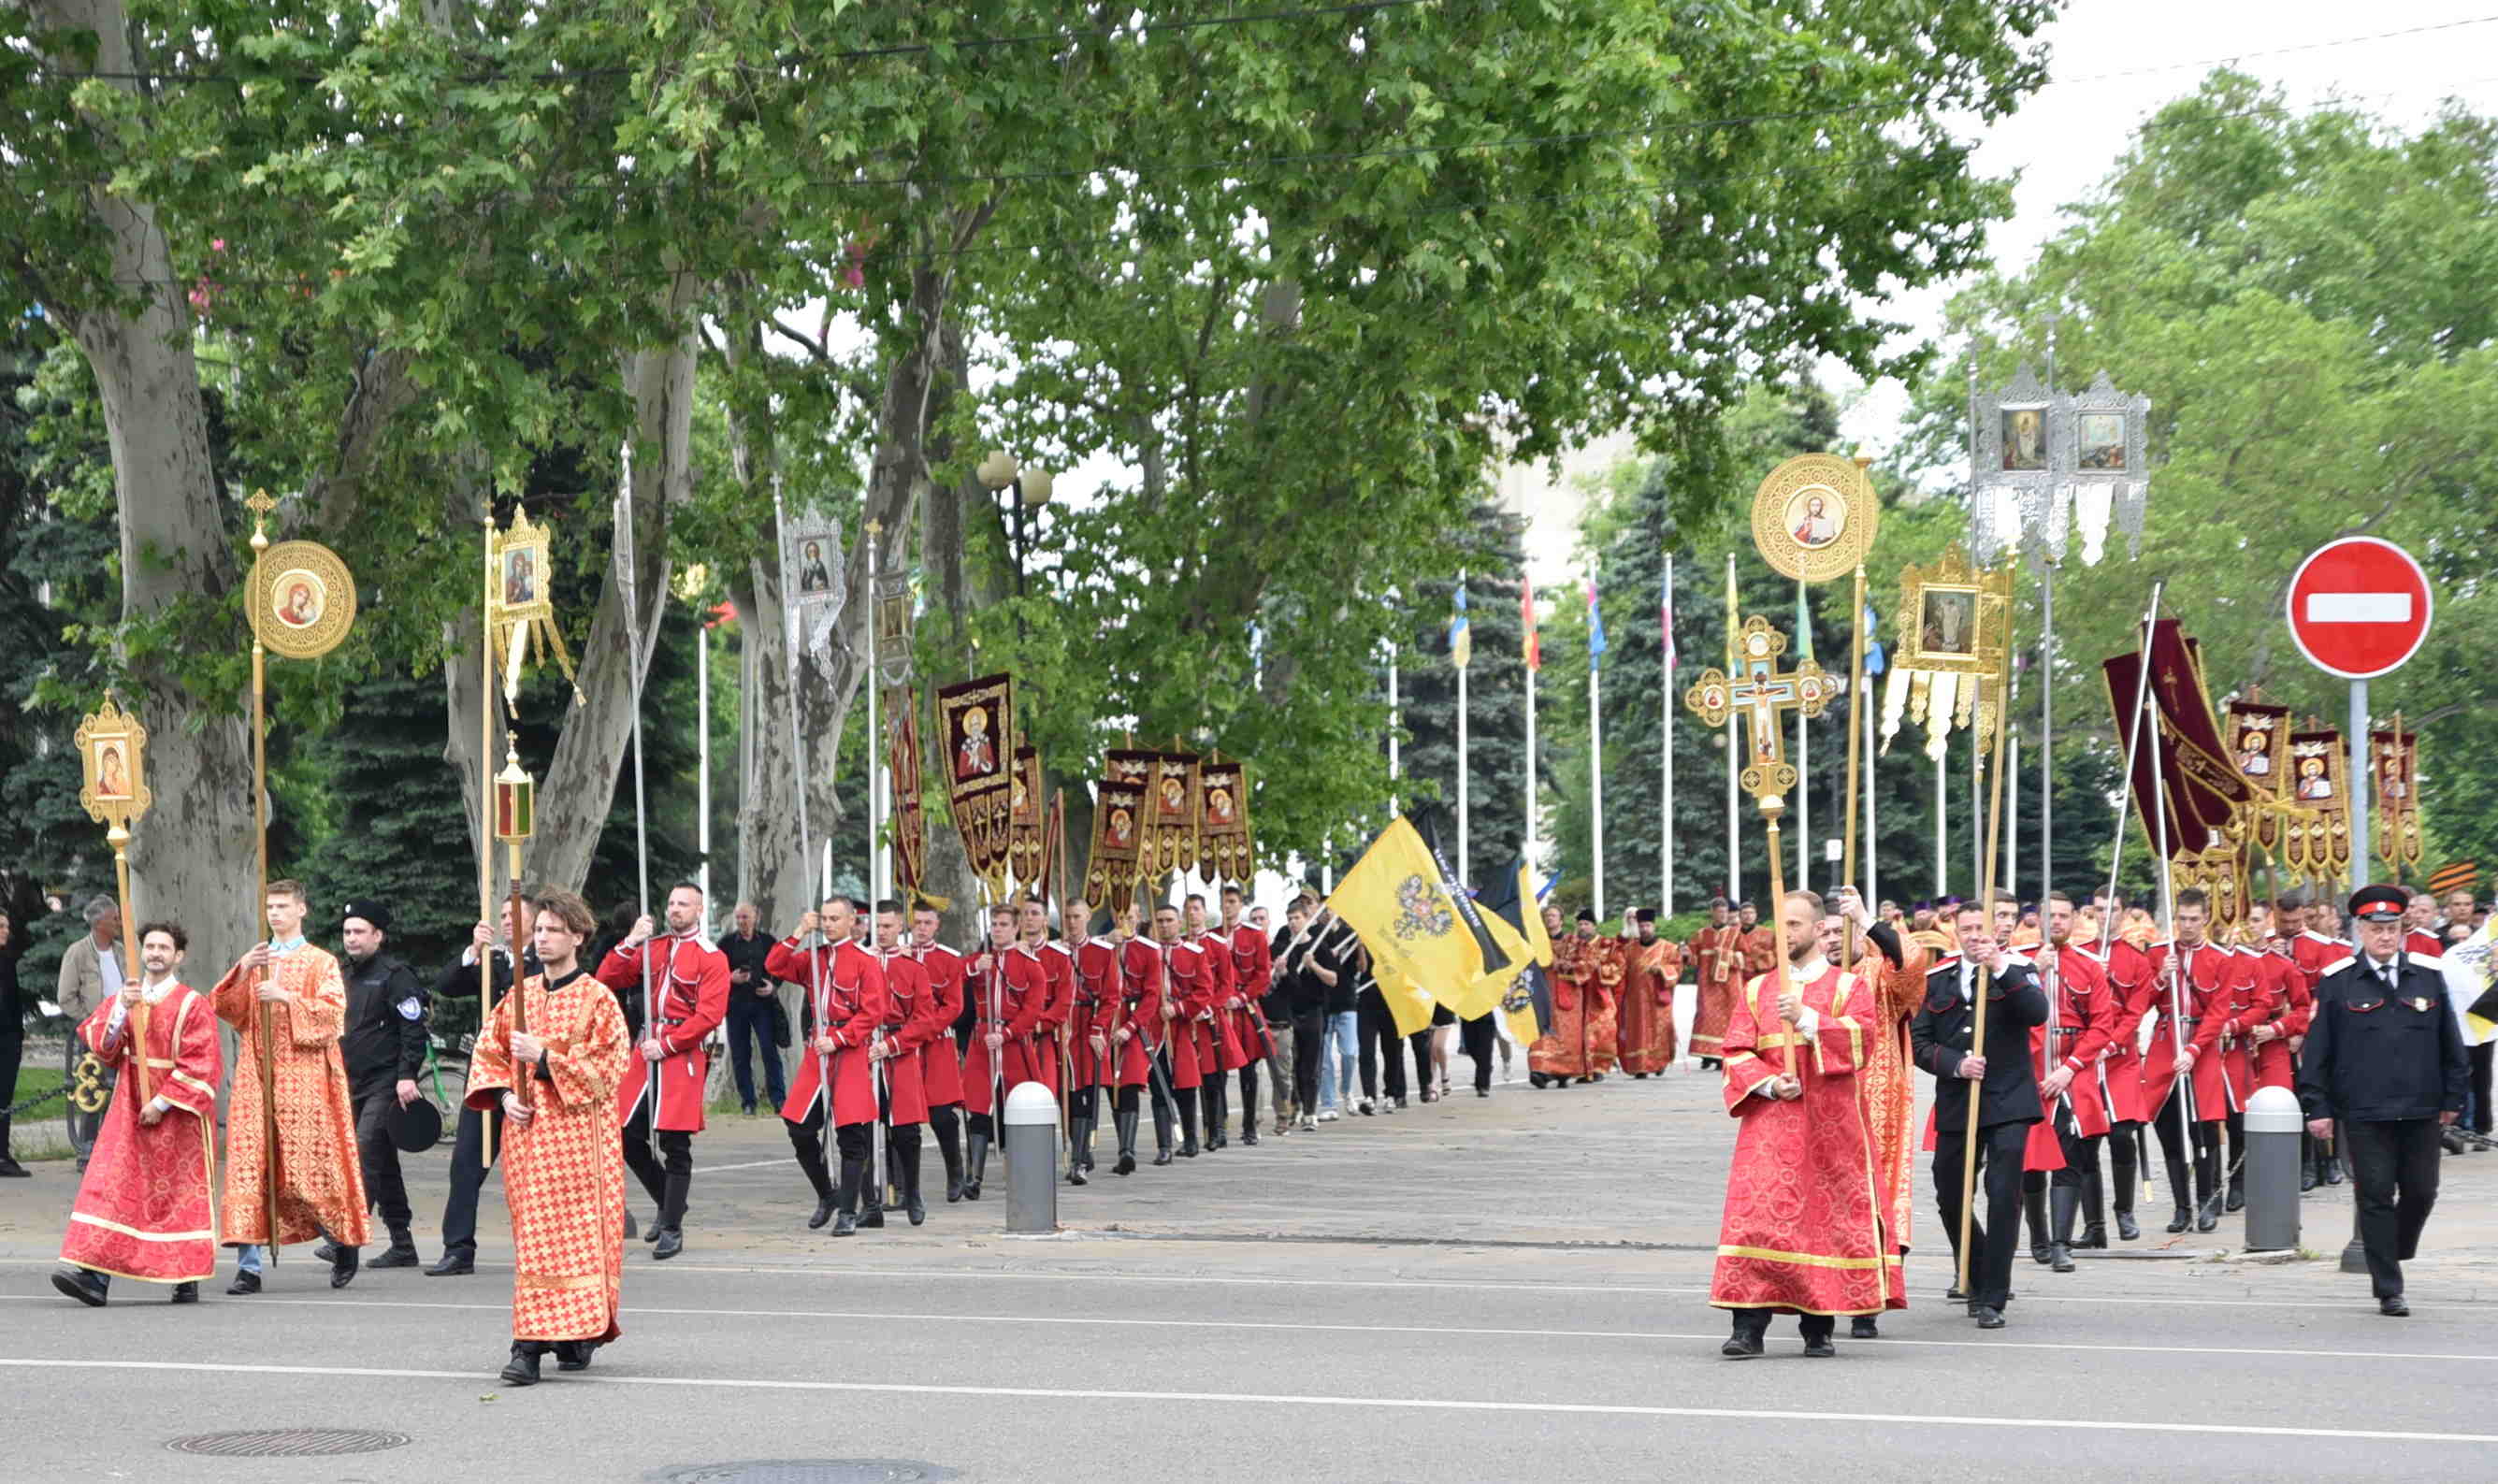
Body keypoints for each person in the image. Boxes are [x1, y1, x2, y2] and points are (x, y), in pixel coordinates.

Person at [466, 888, 630, 1385]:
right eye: (537, 929)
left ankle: (538, 1345)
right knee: (534, 1242)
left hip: (581, 1146)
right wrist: (501, 1099)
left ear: (577, 936)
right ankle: (542, 1335)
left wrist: (543, 1058)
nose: (541, 938)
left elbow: (610, 1068)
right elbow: (488, 1054)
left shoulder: (597, 998)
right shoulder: (518, 995)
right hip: (529, 1141)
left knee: (575, 1242)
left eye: (552, 930)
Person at [1711, 890, 1885, 1358]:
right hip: (1770, 1126)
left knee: (1821, 1219)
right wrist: (1769, 1083)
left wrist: (1808, 1017)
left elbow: (1863, 1043)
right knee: (1756, 1221)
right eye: (1780, 924)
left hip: (1829, 1126)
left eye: (1794, 925)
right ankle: (1748, 1325)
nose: (1784, 933)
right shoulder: (1756, 989)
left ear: (1816, 928)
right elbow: (1734, 1051)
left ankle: (1818, 1325)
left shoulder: (1849, 987)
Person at [2300, 886, 2468, 1317]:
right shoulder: (2339, 982)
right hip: (2365, 1109)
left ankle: (2391, 1249)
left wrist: (2454, 1096)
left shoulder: (2427, 976)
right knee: (2374, 1195)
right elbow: (2319, 1051)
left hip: (2420, 1107)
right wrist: (2317, 1107)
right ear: (2360, 930)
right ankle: (2389, 1286)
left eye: (2392, 928)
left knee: (2421, 1192)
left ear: (2402, 931)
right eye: (2376, 929)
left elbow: (2450, 1042)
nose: (2385, 937)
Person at [51, 921, 222, 1307]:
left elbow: (202, 1064)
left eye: (164, 947)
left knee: (174, 1196)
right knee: (112, 1187)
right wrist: (120, 1013)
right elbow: (105, 1048)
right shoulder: (126, 997)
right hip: (128, 1105)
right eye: (150, 946)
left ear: (179, 956)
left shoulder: (192, 1004)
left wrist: (160, 1103)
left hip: (177, 1114)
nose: (155, 953)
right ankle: (95, 1278)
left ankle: (185, 1275)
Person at [213, 880, 368, 1293]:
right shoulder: (257, 958)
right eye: (270, 906)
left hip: (304, 1075)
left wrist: (285, 998)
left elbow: (334, 1018)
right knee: (251, 1166)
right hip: (256, 1071)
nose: (275, 913)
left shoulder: (320, 962)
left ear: (302, 910)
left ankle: (340, 1239)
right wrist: (244, 969)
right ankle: (249, 1265)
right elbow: (227, 1009)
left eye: (283, 906)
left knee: (307, 1167)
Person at [1911, 900, 2047, 1329]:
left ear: (1996, 931)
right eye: (1966, 928)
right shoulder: (1939, 981)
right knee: (1950, 1193)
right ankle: (1979, 1264)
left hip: (2008, 1101)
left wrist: (2001, 967)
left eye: (1980, 929)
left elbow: (2036, 1013)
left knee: (2003, 1194)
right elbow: (1919, 1044)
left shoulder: (2019, 970)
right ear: (1955, 931)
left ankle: (1992, 1296)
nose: (1973, 936)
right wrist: (1955, 1063)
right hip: (1958, 1101)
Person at [596, 882, 729, 1260]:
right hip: (646, 1047)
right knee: (624, 1132)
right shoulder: (654, 948)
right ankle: (668, 1202)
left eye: (684, 904)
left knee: (675, 1143)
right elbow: (608, 978)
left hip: (680, 1053)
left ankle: (671, 1227)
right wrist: (631, 941)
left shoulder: (711, 956)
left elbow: (709, 1015)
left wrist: (669, 1044)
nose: (675, 909)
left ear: (699, 910)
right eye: (672, 903)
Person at [1830, 887, 1928, 1337]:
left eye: (1840, 929)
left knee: (1877, 1202)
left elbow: (1910, 963)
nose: (1832, 939)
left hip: (1878, 1107)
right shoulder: (1807, 980)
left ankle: (1868, 1302)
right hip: (1826, 1109)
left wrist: (1867, 920)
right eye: (1825, 931)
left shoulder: (1875, 971)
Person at [767, 895, 889, 1234]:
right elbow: (774, 966)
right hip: (816, 1054)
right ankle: (827, 1194)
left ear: (852, 921)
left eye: (836, 918)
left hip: (846, 1051)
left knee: (851, 1135)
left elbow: (873, 1012)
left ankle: (849, 1212)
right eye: (824, 918)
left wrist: (839, 1039)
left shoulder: (866, 961)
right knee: (799, 1127)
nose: (829, 924)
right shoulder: (814, 959)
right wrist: (798, 932)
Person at [2026, 892, 2116, 1274]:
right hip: (2030, 1066)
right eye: (2052, 916)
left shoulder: (2089, 966)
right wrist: (2033, 970)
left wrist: (2072, 1067)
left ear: (2075, 920)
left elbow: (2102, 1025)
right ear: (2040, 919)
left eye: (2064, 916)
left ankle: (2063, 1242)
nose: (2058, 922)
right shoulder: (2021, 962)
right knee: (2029, 1161)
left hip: (2072, 1067)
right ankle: (2038, 1237)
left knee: (2071, 1156)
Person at [423, 923, 519, 1275]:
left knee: (533, 1171)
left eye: (516, 912)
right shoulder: (489, 961)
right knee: (465, 1163)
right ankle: (458, 1248)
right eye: (504, 914)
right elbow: (447, 984)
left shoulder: (544, 961)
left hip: (529, 1077)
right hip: (489, 1076)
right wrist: (473, 952)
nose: (508, 919)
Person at [336, 900, 428, 1269]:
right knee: (383, 1162)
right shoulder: (341, 973)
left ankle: (347, 1239)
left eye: (359, 932)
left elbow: (413, 1027)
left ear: (378, 935)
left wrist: (407, 1074)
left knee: (362, 1151)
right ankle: (403, 1244)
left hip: (385, 1081)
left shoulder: (396, 975)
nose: (352, 938)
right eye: (347, 932)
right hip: (348, 1080)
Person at [2142, 888, 2234, 1233]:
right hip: (2167, 1040)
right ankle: (2182, 1207)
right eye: (2182, 919)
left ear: (2206, 918)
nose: (2188, 926)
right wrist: (2161, 977)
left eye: (2195, 919)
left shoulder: (2220, 959)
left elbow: (2219, 1010)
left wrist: (2194, 1050)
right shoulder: (2159, 955)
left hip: (2202, 1045)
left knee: (2204, 1127)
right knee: (2168, 1128)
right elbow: (2143, 1001)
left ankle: (2207, 1202)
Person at [961, 901, 1049, 1195]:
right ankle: (974, 1178)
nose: (997, 930)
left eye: (1003, 925)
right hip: (981, 1042)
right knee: (978, 1108)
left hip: (1014, 1044)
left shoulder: (1031, 966)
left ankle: (1020, 1174)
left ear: (1015, 928)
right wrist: (975, 967)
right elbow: (951, 978)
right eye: (994, 925)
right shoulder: (979, 960)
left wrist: (1008, 1033)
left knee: (1017, 1108)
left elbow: (1032, 1011)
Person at [866, 900, 938, 1225]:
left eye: (887, 926)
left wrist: (892, 1045)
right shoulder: (861, 962)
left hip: (899, 1054)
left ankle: (913, 1193)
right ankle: (867, 1201)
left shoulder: (914, 970)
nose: (881, 932)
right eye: (877, 926)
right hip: (864, 1053)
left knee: (906, 1133)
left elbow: (924, 1020)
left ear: (900, 928)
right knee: (861, 1130)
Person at [55, 894, 124, 1168]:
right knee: (93, 1092)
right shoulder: (78, 952)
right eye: (114, 918)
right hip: (95, 1035)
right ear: (99, 923)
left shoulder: (121, 951)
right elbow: (66, 997)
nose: (119, 922)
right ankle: (87, 1150)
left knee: (119, 1091)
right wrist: (90, 1022)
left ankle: (115, 1150)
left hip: (123, 1031)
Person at [907, 905, 971, 1200]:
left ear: (937, 925)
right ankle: (903, 1187)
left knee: (942, 1115)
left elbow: (955, 1005)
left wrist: (927, 1028)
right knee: (902, 1119)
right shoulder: (898, 954)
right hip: (904, 1046)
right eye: (917, 922)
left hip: (936, 1044)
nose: (921, 927)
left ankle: (956, 1172)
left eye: (927, 922)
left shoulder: (948, 959)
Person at [1184, 894, 1249, 1143]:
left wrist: (1207, 1008)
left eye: (1196, 909)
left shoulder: (1217, 944)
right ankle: (1195, 1133)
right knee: (1192, 1077)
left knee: (1214, 1077)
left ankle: (1217, 1129)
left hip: (1211, 1020)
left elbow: (1226, 985)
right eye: (1188, 909)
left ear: (1204, 912)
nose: (1192, 913)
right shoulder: (1180, 944)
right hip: (1187, 1019)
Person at [1105, 900, 1165, 1171]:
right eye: (1121, 917)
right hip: (1107, 1018)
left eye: (1131, 917)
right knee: (1111, 1085)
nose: (1125, 922)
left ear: (1139, 918)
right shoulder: (1103, 946)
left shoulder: (1149, 950)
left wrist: (1130, 1027)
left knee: (1130, 1081)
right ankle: (1122, 1143)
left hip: (1136, 1020)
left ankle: (1126, 1149)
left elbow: (1152, 995)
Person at [1222, 885, 1284, 1135]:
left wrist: (1242, 996)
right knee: (1216, 1072)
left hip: (1244, 1010)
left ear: (1240, 905)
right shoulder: (1212, 936)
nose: (1227, 906)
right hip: (1221, 1009)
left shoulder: (1254, 935)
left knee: (1248, 1071)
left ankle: (1249, 1126)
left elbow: (1262, 976)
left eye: (1232, 902)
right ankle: (1217, 1125)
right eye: (1224, 902)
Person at [1152, 904, 1210, 1155]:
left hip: (1182, 1027)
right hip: (1154, 1028)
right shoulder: (1149, 953)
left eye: (1169, 920)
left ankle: (1190, 1139)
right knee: (1158, 1084)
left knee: (1185, 1085)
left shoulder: (1194, 953)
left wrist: (1178, 1008)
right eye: (1160, 921)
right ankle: (1164, 1146)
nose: (1164, 925)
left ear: (1179, 923)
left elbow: (1204, 991)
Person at [1066, 897, 1118, 1184]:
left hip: (1087, 1028)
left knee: (1085, 1095)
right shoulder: (1055, 951)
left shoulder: (1103, 952)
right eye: (1068, 917)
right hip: (1063, 1029)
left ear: (1087, 917)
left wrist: (1099, 1029)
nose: (1072, 922)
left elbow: (1111, 998)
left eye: (1077, 916)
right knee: (1069, 1099)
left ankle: (1080, 1160)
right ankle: (1080, 1152)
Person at [719, 902, 786, 1117]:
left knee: (769, 1051)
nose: (741, 922)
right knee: (740, 1054)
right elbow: (715, 973)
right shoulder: (726, 944)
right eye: (738, 918)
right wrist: (730, 978)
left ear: (756, 917)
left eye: (745, 917)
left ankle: (779, 1099)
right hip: (735, 1004)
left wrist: (773, 986)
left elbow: (782, 966)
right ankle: (748, 1102)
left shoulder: (768, 942)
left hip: (762, 1004)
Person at [1619, 908, 1681, 1076]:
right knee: (1638, 1032)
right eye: (1642, 926)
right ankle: (1641, 1066)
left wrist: (1661, 969)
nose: (1645, 929)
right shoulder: (1629, 949)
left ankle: (1659, 1063)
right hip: (1635, 999)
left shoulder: (1668, 948)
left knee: (1659, 1031)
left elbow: (1677, 968)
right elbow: (1621, 970)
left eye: (1647, 925)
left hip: (1657, 999)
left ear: (1654, 926)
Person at [1686, 899, 1738, 1067]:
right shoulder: (1702, 934)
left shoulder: (1735, 933)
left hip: (1729, 983)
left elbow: (1746, 957)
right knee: (1706, 1014)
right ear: (1712, 912)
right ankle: (1706, 1054)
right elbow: (1692, 959)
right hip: (1707, 982)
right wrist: (1685, 954)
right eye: (1719, 912)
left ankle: (1722, 1055)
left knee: (1726, 1017)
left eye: (1725, 912)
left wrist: (1726, 956)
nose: (1722, 915)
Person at [0, 908, 27, 1176]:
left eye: (6, 926)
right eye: (1, 926)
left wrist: (17, 1036)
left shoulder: (7, 961)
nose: (6, 930)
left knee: (4, 1098)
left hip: (8, 1040)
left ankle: (2, 1154)